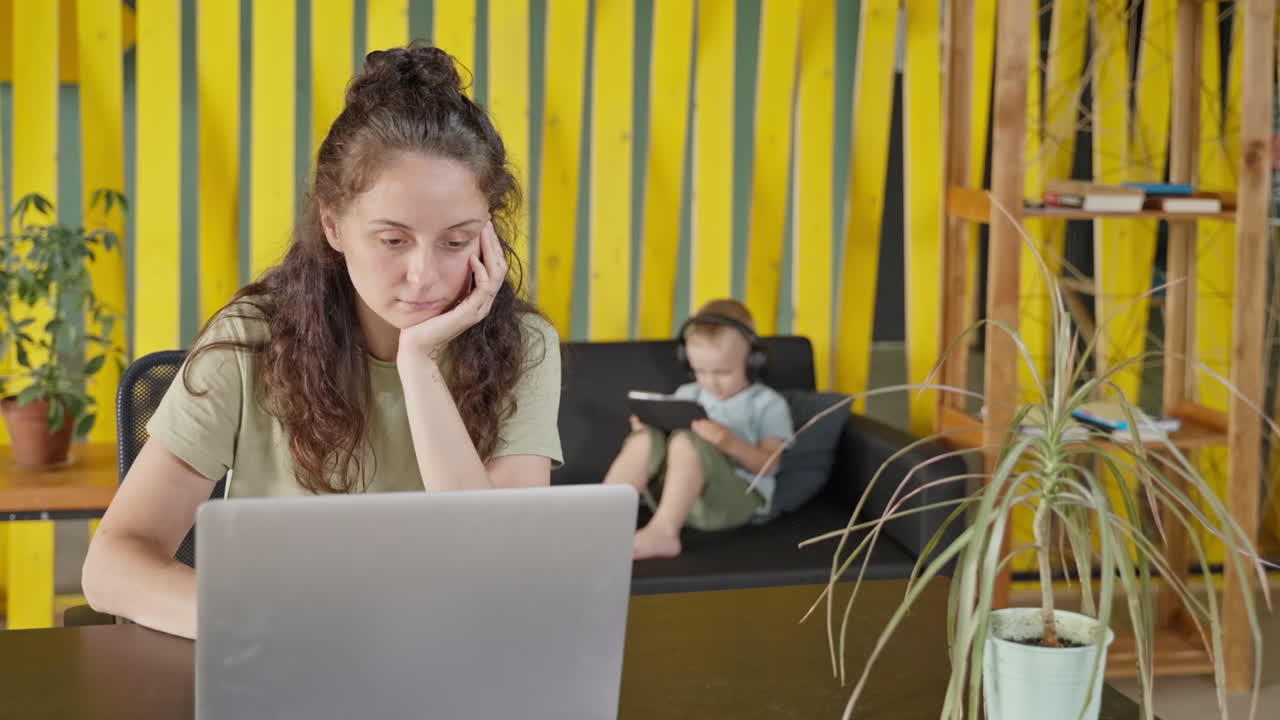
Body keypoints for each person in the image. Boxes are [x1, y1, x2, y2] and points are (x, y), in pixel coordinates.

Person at [81, 45, 563, 639]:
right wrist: (266, 624)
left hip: (445, 658)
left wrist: (418, 365)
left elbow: (498, 573)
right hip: (276, 653)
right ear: (333, 224)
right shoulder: (253, 337)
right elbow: (112, 564)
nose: (425, 276)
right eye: (392, 240)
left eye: (456, 241)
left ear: (488, 232)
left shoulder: (525, 345)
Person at [603, 299, 792, 559]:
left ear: (752, 359)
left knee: (685, 439)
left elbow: (770, 465)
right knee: (646, 437)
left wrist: (729, 443)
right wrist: (647, 426)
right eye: (699, 371)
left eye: (724, 372)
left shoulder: (768, 403)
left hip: (732, 502)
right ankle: (602, 520)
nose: (711, 382)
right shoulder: (688, 394)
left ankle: (663, 532)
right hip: (684, 500)